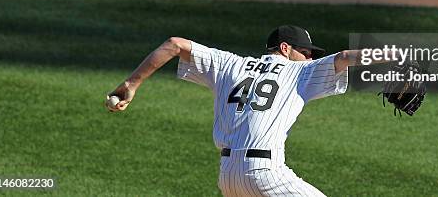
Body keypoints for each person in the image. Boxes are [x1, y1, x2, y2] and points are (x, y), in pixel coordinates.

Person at [106, 24, 365, 196]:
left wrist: (131, 84)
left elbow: (174, 44)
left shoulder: (231, 64)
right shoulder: (300, 70)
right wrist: (400, 55)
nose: (310, 58)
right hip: (264, 172)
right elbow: (344, 56)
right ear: (285, 49)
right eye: (306, 52)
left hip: (228, 176)